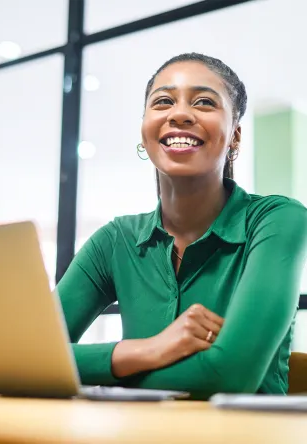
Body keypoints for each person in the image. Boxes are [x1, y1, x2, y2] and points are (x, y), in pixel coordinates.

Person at [57, 52, 307, 399]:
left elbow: (230, 375)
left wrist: (104, 372)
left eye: (204, 102)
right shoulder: (115, 241)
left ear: (235, 136)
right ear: (145, 130)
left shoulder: (277, 219)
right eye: (163, 102)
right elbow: (28, 355)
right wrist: (148, 349)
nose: (179, 114)